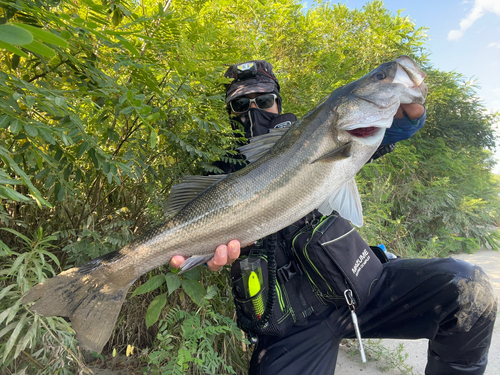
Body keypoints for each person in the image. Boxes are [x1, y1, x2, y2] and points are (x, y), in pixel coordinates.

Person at [170, 60, 497, 374]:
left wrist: (409, 114)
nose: (253, 111)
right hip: (292, 324)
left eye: (264, 99)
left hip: (361, 287)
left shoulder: (316, 132)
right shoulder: (220, 171)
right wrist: (209, 249)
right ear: (230, 113)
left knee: (470, 292)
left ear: (278, 101)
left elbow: (389, 131)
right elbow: (192, 222)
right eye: (240, 105)